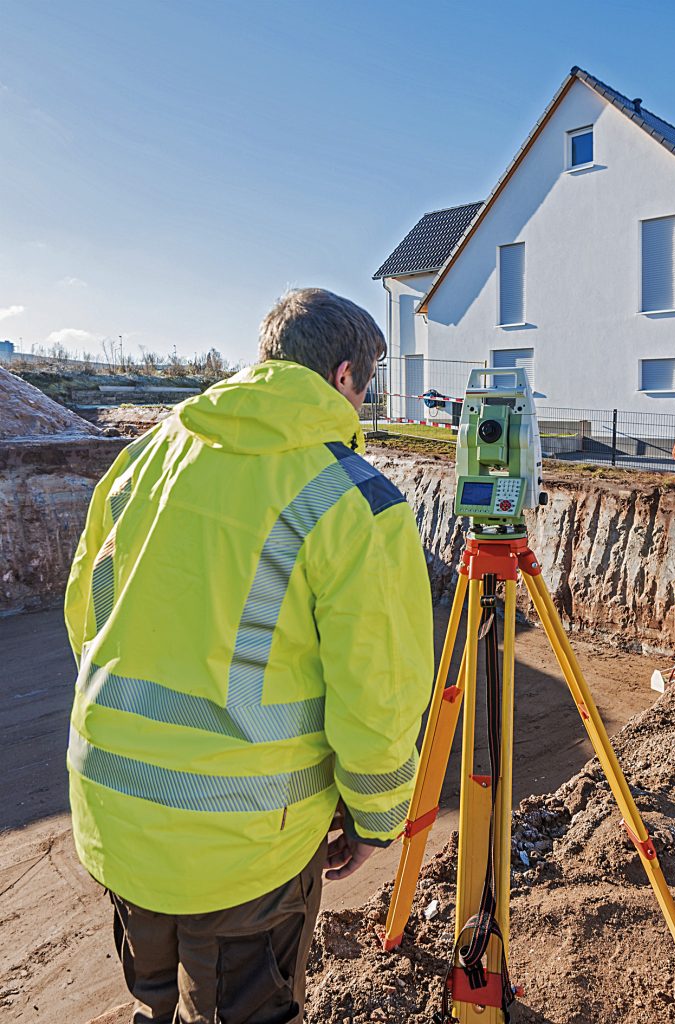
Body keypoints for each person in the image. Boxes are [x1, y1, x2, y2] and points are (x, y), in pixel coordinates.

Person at [64, 288, 434, 1024]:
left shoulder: (148, 458)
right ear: (342, 378)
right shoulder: (352, 500)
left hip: (115, 811)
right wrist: (374, 817)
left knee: (153, 1006)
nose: (364, 407)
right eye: (368, 388)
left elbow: (89, 611)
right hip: (244, 850)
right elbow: (379, 691)